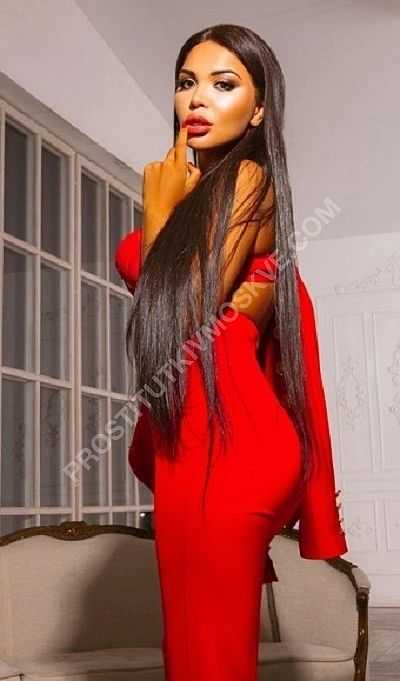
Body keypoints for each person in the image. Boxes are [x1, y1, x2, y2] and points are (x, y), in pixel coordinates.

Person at [115, 23, 348, 681]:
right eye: (186, 82)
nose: (197, 98)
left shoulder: (248, 179)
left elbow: (184, 310)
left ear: (260, 108)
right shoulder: (200, 193)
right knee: (194, 650)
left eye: (223, 84)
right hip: (195, 439)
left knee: (208, 658)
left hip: (230, 446)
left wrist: (158, 212)